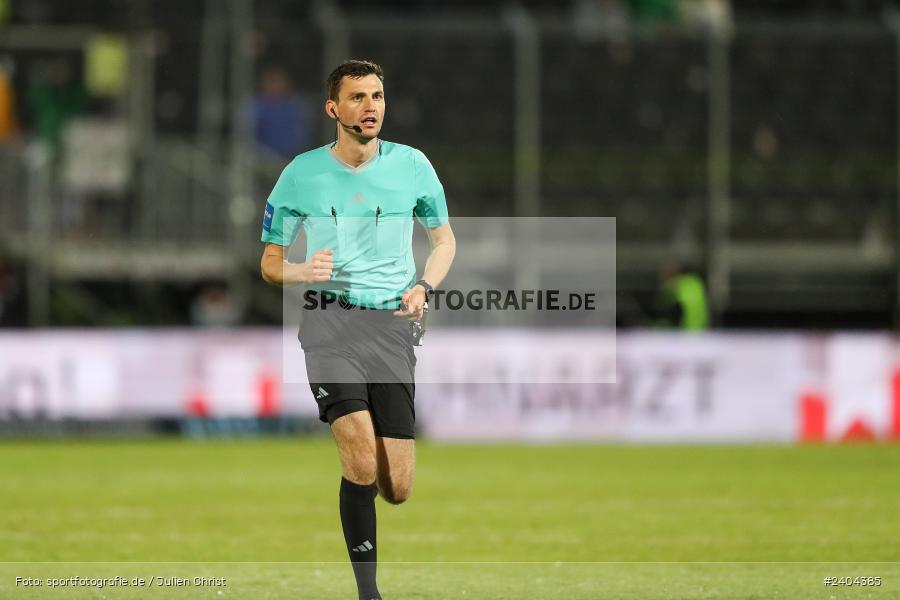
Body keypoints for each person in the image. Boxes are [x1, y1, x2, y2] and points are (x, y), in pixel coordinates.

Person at [258, 59, 456, 600]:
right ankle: (369, 593)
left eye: (377, 96)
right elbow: (270, 262)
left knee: (398, 487)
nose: (371, 107)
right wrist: (302, 271)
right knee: (360, 457)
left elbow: (444, 241)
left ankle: (370, 486)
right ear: (333, 109)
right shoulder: (300, 173)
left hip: (392, 328)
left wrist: (425, 287)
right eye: (358, 97)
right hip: (329, 321)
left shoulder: (412, 165)